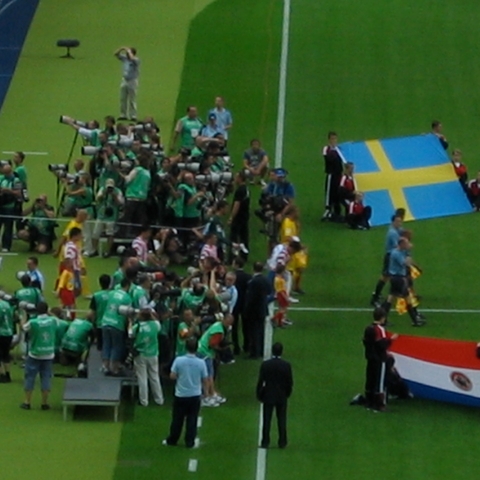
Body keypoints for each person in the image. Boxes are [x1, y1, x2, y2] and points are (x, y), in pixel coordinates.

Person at [163, 338, 208, 448]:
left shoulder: (179, 360)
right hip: (195, 395)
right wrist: (205, 393)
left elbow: (172, 376)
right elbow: (205, 379)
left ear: (186, 347)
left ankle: (173, 440)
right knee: (192, 420)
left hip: (181, 395)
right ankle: (190, 442)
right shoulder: (201, 363)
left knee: (177, 419)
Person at [256, 342, 293, 449]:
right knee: (281, 419)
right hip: (281, 395)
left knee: (266, 420)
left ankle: (265, 441)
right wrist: (286, 393)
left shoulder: (266, 365)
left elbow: (261, 381)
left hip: (268, 394)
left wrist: (259, 394)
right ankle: (282, 441)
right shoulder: (286, 365)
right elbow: (289, 382)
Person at [20, 301, 56, 410]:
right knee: (46, 378)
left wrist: (23, 316)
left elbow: (23, 328)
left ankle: (27, 402)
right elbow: (58, 319)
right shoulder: (52, 321)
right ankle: (44, 403)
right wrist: (49, 312)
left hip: (35, 354)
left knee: (30, 377)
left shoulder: (33, 322)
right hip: (48, 354)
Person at [382, 237, 425, 327]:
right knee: (407, 298)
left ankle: (383, 319)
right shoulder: (396, 254)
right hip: (398, 279)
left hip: (395, 278)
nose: (407, 245)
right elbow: (406, 263)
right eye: (406, 244)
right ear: (401, 244)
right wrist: (408, 254)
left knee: (390, 298)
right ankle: (415, 320)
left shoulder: (399, 251)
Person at [363, 307, 398, 411]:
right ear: (383, 318)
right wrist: (391, 340)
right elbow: (381, 345)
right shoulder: (379, 329)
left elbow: (366, 342)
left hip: (370, 358)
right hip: (379, 359)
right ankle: (379, 405)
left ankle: (369, 401)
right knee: (380, 381)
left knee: (370, 379)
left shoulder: (368, 328)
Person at [197, 314, 233, 406]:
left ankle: (212, 393)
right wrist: (221, 350)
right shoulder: (219, 331)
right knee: (207, 375)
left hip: (204, 351)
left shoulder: (218, 325)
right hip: (205, 352)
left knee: (210, 374)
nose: (228, 325)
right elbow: (212, 344)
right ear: (224, 320)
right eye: (228, 323)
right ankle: (206, 396)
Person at [132, 309, 164, 407]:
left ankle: (144, 401)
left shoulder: (137, 327)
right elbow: (156, 321)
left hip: (141, 354)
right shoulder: (155, 325)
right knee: (154, 377)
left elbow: (131, 335)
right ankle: (159, 400)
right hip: (153, 354)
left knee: (142, 378)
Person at [370, 215, 403, 306]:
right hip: (390, 257)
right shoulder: (392, 233)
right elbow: (398, 246)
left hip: (392, 256)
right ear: (393, 222)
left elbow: (402, 232)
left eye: (400, 221)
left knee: (390, 277)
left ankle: (397, 294)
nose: (399, 224)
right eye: (398, 222)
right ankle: (375, 298)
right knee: (385, 277)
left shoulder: (395, 229)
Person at [101, 278, 132, 375]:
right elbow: (127, 314)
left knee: (106, 344)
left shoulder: (111, 293)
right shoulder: (127, 298)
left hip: (105, 321)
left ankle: (105, 366)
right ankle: (113, 368)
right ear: (128, 286)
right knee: (116, 346)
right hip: (117, 324)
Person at [244, 262, 271, 359]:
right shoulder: (265, 280)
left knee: (253, 332)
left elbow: (250, 298)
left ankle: (254, 352)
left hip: (254, 311)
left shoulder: (253, 282)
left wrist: (246, 310)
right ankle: (260, 350)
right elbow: (269, 291)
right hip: (262, 309)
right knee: (260, 330)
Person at [92, 178, 124, 257]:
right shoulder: (102, 189)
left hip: (112, 216)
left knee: (110, 234)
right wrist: (103, 194)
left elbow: (121, 203)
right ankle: (94, 250)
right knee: (95, 233)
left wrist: (114, 196)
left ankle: (108, 251)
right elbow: (97, 199)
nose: (109, 189)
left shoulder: (118, 191)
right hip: (101, 215)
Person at [121, 156, 151, 237]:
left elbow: (128, 180)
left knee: (127, 217)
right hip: (142, 198)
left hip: (132, 196)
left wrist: (121, 174)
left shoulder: (137, 170)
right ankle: (137, 234)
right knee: (138, 219)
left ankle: (124, 233)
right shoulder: (147, 172)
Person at [322, 131, 344, 222]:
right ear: (329, 140)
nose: (334, 141)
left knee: (337, 192)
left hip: (339, 174)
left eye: (335, 139)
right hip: (331, 173)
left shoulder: (339, 149)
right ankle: (328, 210)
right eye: (332, 139)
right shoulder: (327, 149)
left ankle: (337, 211)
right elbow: (329, 158)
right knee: (329, 192)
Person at [0, 163, 22, 251]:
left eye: (7, 173)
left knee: (8, 227)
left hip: (10, 206)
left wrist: (7, 190)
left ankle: (6, 246)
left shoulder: (16, 180)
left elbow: (18, 193)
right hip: (1, 204)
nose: (5, 175)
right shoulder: (1, 178)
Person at [228, 170, 250, 261]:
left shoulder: (240, 190)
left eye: (237, 177)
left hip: (238, 217)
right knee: (244, 236)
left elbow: (237, 205)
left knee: (234, 237)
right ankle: (244, 255)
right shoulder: (246, 189)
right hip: (245, 216)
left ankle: (232, 257)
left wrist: (231, 217)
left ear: (240, 178)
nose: (235, 179)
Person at [231, 256, 251, 355]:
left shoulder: (232, 276)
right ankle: (246, 345)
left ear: (237, 265)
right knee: (246, 326)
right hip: (244, 304)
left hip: (235, 304)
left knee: (234, 327)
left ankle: (236, 347)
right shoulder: (248, 276)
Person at [114, 46, 140, 121]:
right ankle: (123, 114)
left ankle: (133, 115)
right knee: (123, 98)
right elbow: (116, 54)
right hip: (124, 80)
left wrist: (129, 51)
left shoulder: (136, 60)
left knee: (132, 99)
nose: (127, 54)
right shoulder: (125, 59)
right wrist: (121, 48)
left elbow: (132, 58)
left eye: (129, 53)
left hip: (132, 81)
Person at [89, 274, 111, 350]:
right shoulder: (114, 294)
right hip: (112, 324)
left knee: (101, 347)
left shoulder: (96, 296)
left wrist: (93, 324)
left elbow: (93, 312)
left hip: (100, 324)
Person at [0, 296, 14, 383]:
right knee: (6, 354)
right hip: (9, 332)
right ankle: (8, 374)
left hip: (1, 332)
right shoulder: (7, 304)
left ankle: (1, 375)